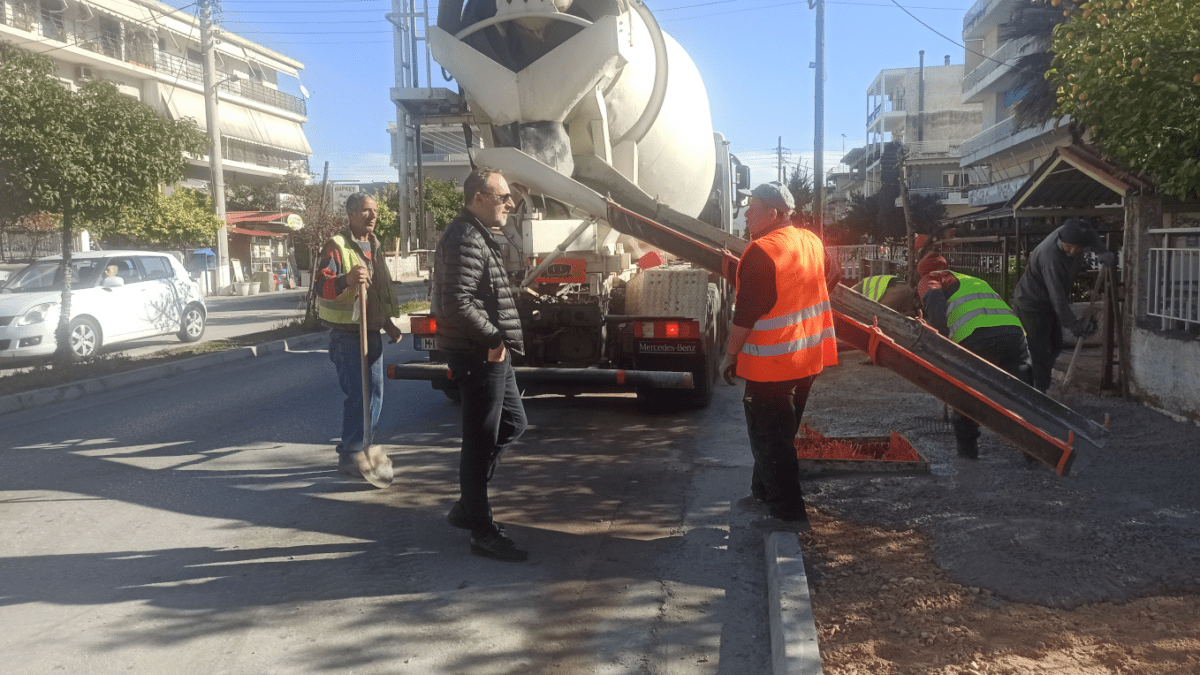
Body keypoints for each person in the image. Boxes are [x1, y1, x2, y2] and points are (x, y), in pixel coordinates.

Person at [720, 182, 838, 527]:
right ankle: (762, 493)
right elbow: (832, 276)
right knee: (779, 433)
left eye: (753, 208)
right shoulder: (811, 241)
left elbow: (745, 315)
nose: (746, 214)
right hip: (807, 358)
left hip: (773, 366)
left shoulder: (761, 251)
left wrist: (729, 356)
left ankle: (789, 515)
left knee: (772, 439)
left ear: (772, 213)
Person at [432, 167, 529, 562]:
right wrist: (493, 339)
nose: (510, 203)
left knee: (512, 424)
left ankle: (467, 507)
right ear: (478, 199)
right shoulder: (466, 236)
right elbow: (457, 303)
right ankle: (481, 530)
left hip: (488, 352)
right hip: (478, 353)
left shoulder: (477, 233)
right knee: (479, 442)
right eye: (503, 197)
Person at [316, 191, 403, 486]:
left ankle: (362, 448)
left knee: (374, 393)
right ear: (351, 214)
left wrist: (388, 323)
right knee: (358, 395)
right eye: (366, 210)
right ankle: (351, 453)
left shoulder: (374, 246)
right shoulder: (337, 246)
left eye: (375, 210)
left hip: (371, 330)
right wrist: (346, 279)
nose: (373, 216)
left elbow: (375, 292)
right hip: (347, 334)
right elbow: (320, 286)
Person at [917, 253, 1033, 458]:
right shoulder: (971, 280)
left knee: (966, 394)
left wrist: (940, 339)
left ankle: (967, 452)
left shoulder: (931, 278)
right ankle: (1036, 449)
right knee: (1022, 396)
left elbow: (933, 298)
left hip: (975, 336)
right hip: (1014, 335)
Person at [1011, 219, 1116, 392]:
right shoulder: (1050, 257)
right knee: (1040, 350)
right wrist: (1075, 326)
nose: (1073, 251)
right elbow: (1058, 297)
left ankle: (1039, 380)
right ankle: (1039, 393)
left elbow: (1090, 233)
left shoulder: (1076, 231)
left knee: (1056, 345)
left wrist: (1102, 251)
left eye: (1078, 248)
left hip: (1049, 303)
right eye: (1069, 246)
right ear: (1061, 239)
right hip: (1031, 303)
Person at [851, 274, 921, 317]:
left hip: (896, 290)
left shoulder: (855, 291)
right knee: (903, 315)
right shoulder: (866, 283)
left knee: (881, 316)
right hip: (906, 288)